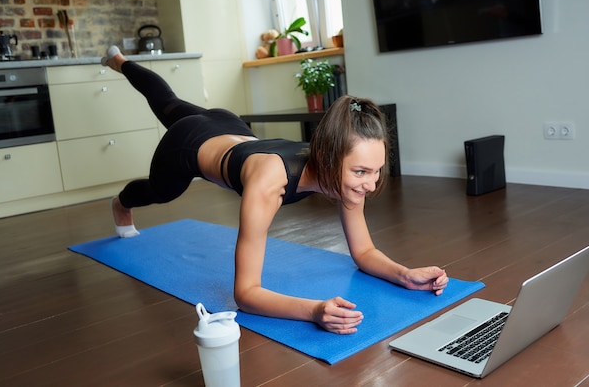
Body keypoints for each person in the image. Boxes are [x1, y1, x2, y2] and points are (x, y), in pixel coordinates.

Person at [103, 46, 449, 334]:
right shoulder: (270, 184)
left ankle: (118, 60)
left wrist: (406, 275)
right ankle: (121, 202)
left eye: (376, 171)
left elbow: (363, 252)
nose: (370, 184)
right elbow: (245, 293)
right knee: (160, 183)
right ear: (329, 156)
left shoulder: (345, 176)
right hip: (188, 146)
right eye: (361, 172)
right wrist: (314, 310)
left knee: (168, 100)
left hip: (229, 125)